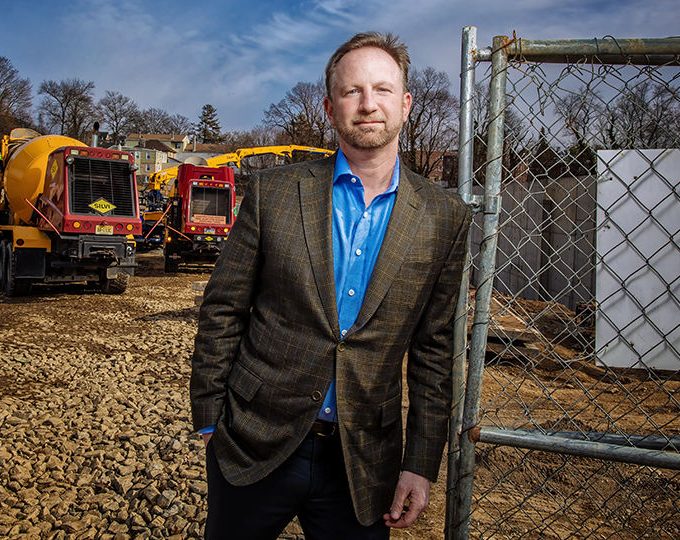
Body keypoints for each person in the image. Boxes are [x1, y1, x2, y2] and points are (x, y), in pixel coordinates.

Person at [190, 31, 472, 540]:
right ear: (329, 106)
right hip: (254, 439)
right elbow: (223, 309)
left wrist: (421, 463)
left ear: (406, 104)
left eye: (383, 90)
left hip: (364, 460)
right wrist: (210, 416)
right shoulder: (274, 193)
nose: (369, 105)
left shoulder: (444, 216)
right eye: (352, 92)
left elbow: (434, 350)